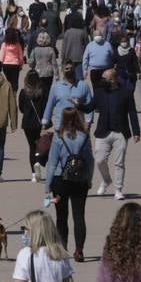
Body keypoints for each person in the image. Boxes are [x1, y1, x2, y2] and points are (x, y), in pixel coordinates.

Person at [46, 107, 95, 261]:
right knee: (79, 215)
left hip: (60, 179)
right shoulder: (85, 137)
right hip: (80, 180)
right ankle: (79, 250)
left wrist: (47, 185)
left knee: (61, 216)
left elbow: (52, 163)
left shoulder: (58, 137)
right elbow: (90, 161)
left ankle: (63, 248)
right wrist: (89, 178)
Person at [91, 69, 141, 200]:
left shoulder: (126, 93)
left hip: (120, 132)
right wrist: (78, 105)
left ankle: (118, 190)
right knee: (99, 160)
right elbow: (89, 107)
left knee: (119, 163)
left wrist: (136, 132)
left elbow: (132, 112)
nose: (102, 81)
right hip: (103, 132)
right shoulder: (99, 92)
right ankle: (106, 180)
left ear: (113, 80)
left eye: (104, 78)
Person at [41, 59, 94, 130]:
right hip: (60, 128)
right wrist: (44, 123)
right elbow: (49, 106)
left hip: (78, 127)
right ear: (62, 70)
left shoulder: (83, 85)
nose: (69, 70)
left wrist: (88, 122)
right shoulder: (55, 87)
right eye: (67, 68)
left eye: (71, 68)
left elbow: (89, 104)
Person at [18, 71, 46, 183]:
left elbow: (21, 108)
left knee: (31, 147)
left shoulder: (23, 92)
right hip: (38, 122)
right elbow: (45, 107)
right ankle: (38, 161)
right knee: (37, 143)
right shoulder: (42, 92)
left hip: (27, 123)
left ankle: (33, 174)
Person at [59, 12, 89, 80]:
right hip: (80, 58)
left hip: (68, 58)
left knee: (68, 77)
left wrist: (63, 59)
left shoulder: (67, 32)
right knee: (79, 78)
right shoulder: (83, 32)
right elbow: (87, 46)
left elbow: (64, 47)